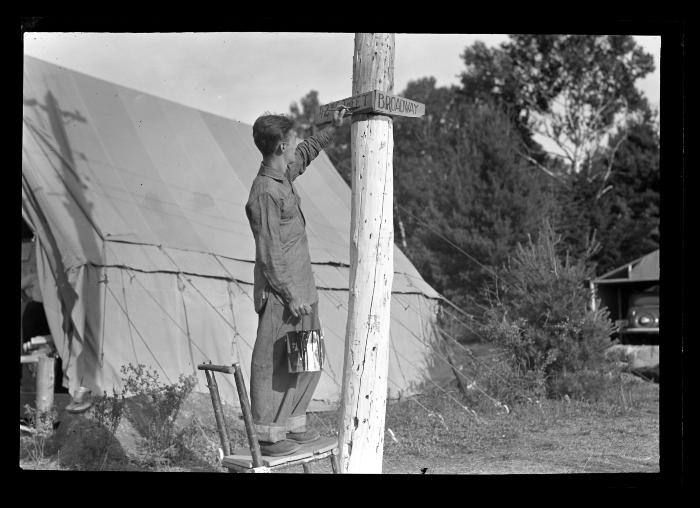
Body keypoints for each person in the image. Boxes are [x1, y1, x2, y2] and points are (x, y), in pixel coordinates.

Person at [245, 108, 347, 456]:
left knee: (307, 358)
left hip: (304, 288)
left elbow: (305, 154)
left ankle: (293, 426)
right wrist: (288, 294)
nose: (295, 147)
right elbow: (269, 252)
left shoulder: (283, 174)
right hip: (281, 294)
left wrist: (330, 129)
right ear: (278, 148)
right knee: (272, 363)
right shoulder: (264, 193)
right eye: (291, 143)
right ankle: (269, 438)